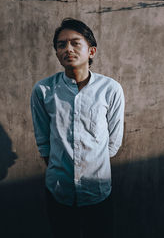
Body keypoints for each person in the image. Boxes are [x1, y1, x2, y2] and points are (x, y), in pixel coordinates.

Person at [30, 18, 125, 238]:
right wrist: (63, 167)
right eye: (61, 45)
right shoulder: (43, 90)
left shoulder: (110, 89)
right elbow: (43, 139)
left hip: (97, 190)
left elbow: (113, 141)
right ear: (56, 53)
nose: (67, 49)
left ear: (91, 51)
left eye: (75, 43)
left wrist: (92, 164)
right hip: (59, 190)